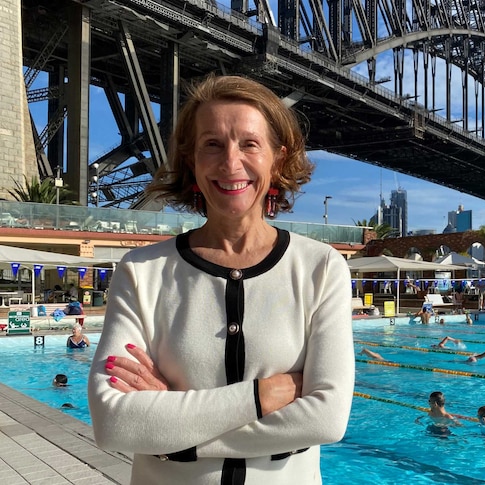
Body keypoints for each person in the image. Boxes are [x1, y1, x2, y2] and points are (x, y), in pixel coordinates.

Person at [88, 75, 355, 484]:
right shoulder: (141, 271)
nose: (231, 163)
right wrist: (261, 396)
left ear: (277, 159)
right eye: (212, 144)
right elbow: (113, 422)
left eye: (249, 143)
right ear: (192, 160)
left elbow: (327, 419)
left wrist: (171, 432)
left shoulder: (320, 268)